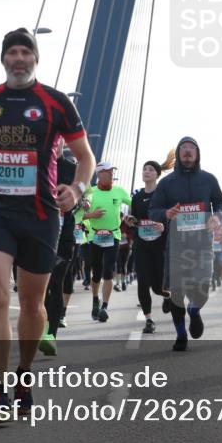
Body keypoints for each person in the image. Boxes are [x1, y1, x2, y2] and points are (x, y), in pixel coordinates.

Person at [0, 28, 94, 421]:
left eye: (25, 52)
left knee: (33, 303)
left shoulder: (55, 103)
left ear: (35, 59)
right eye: (12, 53)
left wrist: (78, 189)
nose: (18, 59)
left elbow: (85, 155)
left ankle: (23, 373)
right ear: (3, 59)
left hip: (39, 215)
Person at [149, 137, 222, 351]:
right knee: (176, 292)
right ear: (179, 154)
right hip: (176, 245)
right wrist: (165, 213)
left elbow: (220, 202)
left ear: (198, 153)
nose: (188, 151)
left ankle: (194, 310)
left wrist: (217, 217)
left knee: (202, 287)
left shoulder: (209, 179)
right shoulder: (167, 183)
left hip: (202, 244)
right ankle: (181, 334)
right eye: (184, 148)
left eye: (192, 148)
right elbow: (153, 210)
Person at [40, 144, 83, 356]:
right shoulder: (35, 161)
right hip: (35, 233)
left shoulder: (71, 167)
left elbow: (80, 198)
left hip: (63, 234)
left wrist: (71, 200)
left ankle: (51, 335)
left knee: (56, 282)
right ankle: (38, 326)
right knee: (36, 287)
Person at [82, 162, 131, 322]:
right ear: (99, 174)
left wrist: (131, 216)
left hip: (113, 236)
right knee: (96, 273)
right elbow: (78, 215)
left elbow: (135, 205)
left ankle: (104, 306)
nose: (111, 174)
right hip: (94, 237)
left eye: (112, 171)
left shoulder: (119, 191)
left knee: (108, 272)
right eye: (107, 171)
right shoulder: (91, 191)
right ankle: (95, 299)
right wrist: (91, 214)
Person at [128, 160, 169, 333]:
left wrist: (164, 225)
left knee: (158, 287)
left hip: (160, 244)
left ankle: (167, 296)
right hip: (142, 244)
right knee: (143, 282)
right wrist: (131, 222)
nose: (146, 172)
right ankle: (149, 320)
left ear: (157, 174)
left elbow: (172, 217)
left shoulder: (164, 195)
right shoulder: (137, 197)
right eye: (144, 169)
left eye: (150, 169)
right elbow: (135, 219)